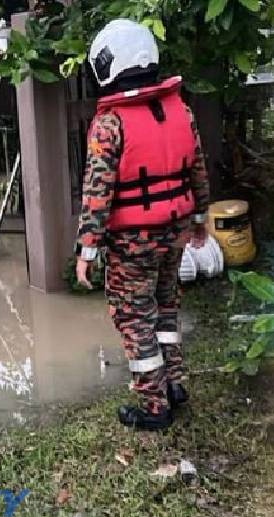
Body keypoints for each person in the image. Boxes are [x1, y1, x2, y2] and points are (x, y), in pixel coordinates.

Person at [74, 19, 210, 431]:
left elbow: (97, 195)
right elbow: (198, 171)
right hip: (176, 230)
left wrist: (87, 251)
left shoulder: (109, 124)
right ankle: (175, 384)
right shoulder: (180, 110)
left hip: (133, 241)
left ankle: (154, 406)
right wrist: (200, 219)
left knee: (134, 316)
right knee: (166, 306)